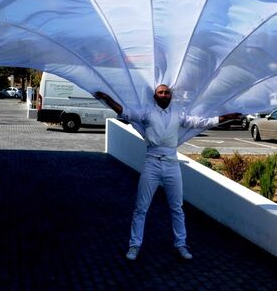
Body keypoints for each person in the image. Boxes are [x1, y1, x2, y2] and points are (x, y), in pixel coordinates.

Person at [94, 85, 241, 261]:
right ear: (155, 96)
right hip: (152, 163)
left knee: (177, 208)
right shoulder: (147, 112)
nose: (164, 95)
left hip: (172, 164)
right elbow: (125, 113)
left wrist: (226, 117)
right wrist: (108, 99)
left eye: (167, 92)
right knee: (141, 208)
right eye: (160, 92)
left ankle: (181, 244)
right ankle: (134, 245)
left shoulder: (178, 114)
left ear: (171, 96)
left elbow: (202, 122)